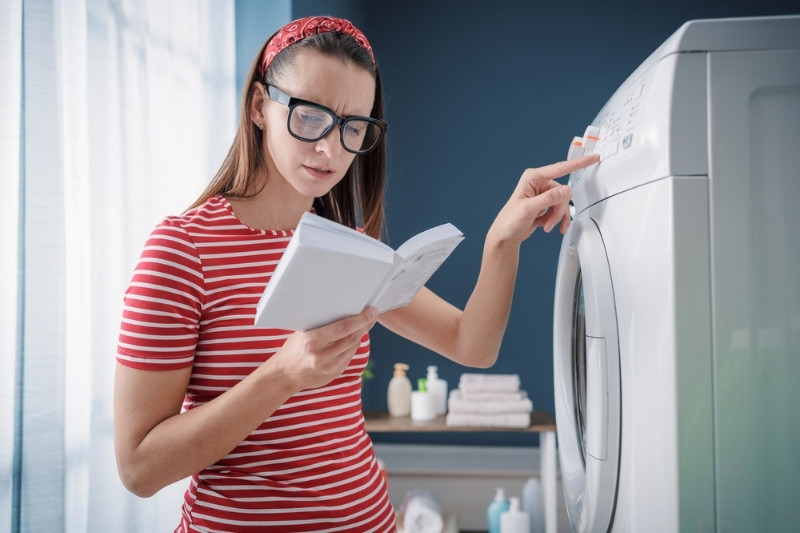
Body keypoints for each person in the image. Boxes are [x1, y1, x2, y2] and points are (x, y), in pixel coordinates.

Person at [114, 15, 599, 533]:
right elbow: (139, 468)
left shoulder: (348, 249)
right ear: (260, 106)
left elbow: (471, 344)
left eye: (353, 128)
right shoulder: (183, 249)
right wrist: (281, 376)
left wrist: (501, 241)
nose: (330, 148)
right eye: (308, 116)